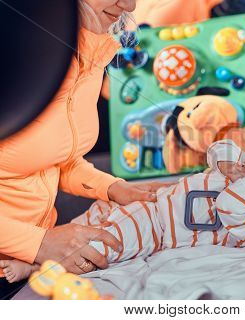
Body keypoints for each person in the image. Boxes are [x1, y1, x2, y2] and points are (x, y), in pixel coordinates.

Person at [1, 139, 245, 279]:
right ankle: (40, 243)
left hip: (158, 230)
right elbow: (218, 149)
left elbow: (230, 206)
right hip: (151, 199)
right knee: (84, 223)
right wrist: (229, 161)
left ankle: (35, 267)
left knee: (101, 243)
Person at [0, 0, 164, 299]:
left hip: (28, 265)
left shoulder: (91, 54)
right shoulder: (11, 54)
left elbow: (57, 160)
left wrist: (113, 187)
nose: (129, 4)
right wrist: (39, 243)